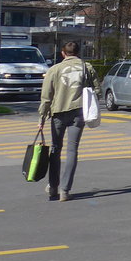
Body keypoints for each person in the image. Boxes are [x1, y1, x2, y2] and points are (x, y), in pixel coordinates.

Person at [37, 40, 96, 202]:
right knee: (72, 150)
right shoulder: (86, 67)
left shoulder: (54, 70)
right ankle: (65, 190)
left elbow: (46, 96)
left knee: (55, 149)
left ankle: (53, 187)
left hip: (58, 113)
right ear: (78, 52)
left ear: (63, 53)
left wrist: (42, 117)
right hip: (78, 113)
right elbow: (96, 89)